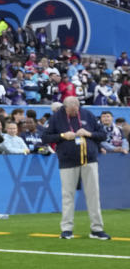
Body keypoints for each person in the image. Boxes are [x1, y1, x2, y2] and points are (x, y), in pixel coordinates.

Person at [41, 96, 110, 240]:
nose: (74, 112)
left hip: (89, 160)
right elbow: (45, 137)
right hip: (67, 161)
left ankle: (97, 229)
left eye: (76, 109)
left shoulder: (87, 114)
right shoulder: (56, 118)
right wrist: (62, 135)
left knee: (93, 195)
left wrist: (88, 133)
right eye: (71, 110)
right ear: (64, 107)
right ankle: (66, 229)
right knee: (68, 196)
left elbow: (102, 134)